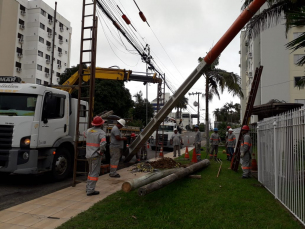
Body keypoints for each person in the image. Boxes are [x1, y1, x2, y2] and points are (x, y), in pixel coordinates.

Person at [84, 116, 106, 196]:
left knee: (90, 172)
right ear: (101, 124)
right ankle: (90, 190)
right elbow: (103, 144)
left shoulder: (88, 131)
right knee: (94, 173)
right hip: (95, 155)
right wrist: (101, 151)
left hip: (88, 155)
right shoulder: (101, 132)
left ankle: (88, 188)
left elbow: (85, 135)